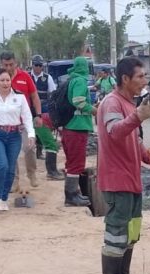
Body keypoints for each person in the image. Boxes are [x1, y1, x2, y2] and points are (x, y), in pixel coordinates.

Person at [96, 57, 150, 274]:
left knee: (131, 232)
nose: (144, 81)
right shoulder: (112, 104)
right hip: (117, 180)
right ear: (125, 79)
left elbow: (135, 142)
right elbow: (115, 132)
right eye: (140, 76)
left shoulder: (129, 105)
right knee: (116, 232)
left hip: (131, 180)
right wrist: (138, 116)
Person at [0, 70, 35, 211]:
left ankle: (4, 198)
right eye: (2, 80)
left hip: (14, 135)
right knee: (2, 165)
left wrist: (31, 134)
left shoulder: (19, 97)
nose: (5, 83)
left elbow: (27, 117)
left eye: (8, 80)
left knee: (10, 169)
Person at [0, 52, 43, 192]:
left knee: (29, 148)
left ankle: (32, 173)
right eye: (5, 65)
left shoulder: (25, 77)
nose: (9, 67)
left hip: (24, 120)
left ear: (15, 63)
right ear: (1, 64)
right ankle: (14, 180)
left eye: (11, 64)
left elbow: (34, 97)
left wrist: (39, 115)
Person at [61, 57, 94, 207]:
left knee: (72, 162)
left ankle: (73, 193)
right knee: (77, 163)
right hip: (77, 127)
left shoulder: (71, 79)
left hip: (69, 127)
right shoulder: (80, 80)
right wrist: (94, 110)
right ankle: (71, 196)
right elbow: (78, 101)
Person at [30, 54, 63, 181]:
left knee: (44, 135)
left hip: (43, 108)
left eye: (40, 65)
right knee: (40, 137)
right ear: (32, 65)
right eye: (36, 65)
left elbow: (52, 94)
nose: (38, 68)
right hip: (31, 109)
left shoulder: (47, 78)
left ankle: (40, 153)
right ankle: (50, 170)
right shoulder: (28, 77)